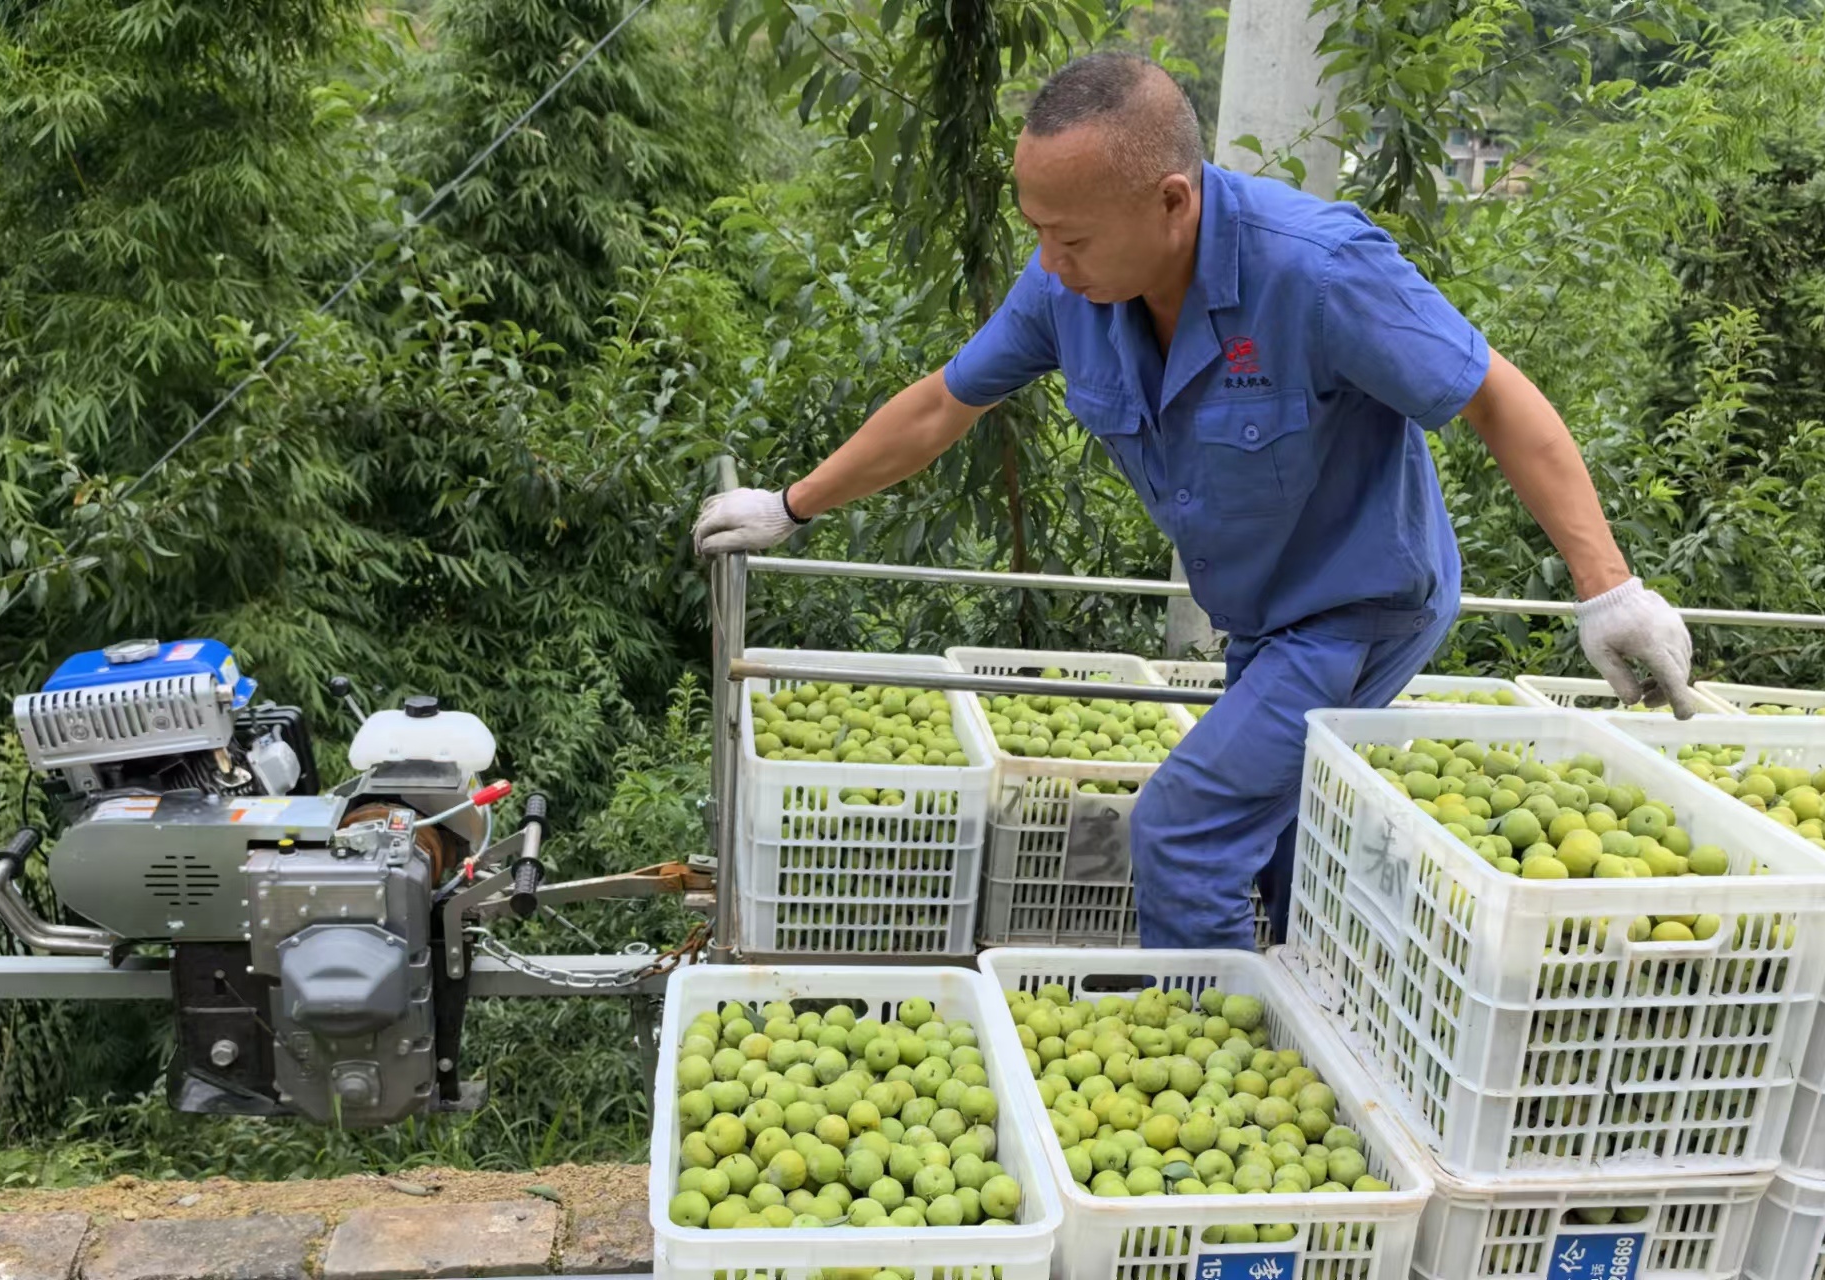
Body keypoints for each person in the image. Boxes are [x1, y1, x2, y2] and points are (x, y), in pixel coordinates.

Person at [693, 52, 1697, 950]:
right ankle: (1318, 1013)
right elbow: (942, 405)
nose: (1049, 261)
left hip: (1361, 601)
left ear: (1173, 202)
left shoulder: (1314, 267)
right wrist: (793, 504)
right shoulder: (1069, 290)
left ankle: (1212, 1048)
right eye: (1037, 231)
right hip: (1261, 616)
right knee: (1284, 838)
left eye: (1071, 236)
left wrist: (1608, 587)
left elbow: (1494, 396)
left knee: (1182, 825)